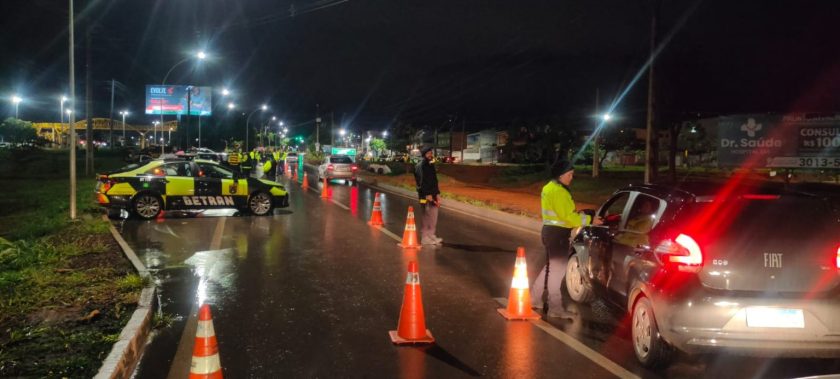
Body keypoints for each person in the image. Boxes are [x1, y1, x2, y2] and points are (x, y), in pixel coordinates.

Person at [531, 160, 602, 318]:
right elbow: (568, 217)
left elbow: (562, 213)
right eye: (570, 174)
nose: (571, 177)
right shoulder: (560, 192)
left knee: (550, 268)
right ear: (561, 175)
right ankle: (555, 308)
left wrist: (581, 215)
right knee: (556, 272)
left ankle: (534, 299)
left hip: (549, 232)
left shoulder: (548, 187)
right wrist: (590, 220)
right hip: (558, 235)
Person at [414, 146, 442, 245]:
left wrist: (437, 194)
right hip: (424, 196)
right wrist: (427, 194)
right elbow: (420, 182)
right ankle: (425, 237)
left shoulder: (431, 165)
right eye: (428, 153)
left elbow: (434, 181)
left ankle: (431, 235)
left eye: (431, 153)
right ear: (424, 154)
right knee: (426, 215)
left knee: (434, 215)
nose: (431, 155)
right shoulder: (420, 166)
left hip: (433, 194)